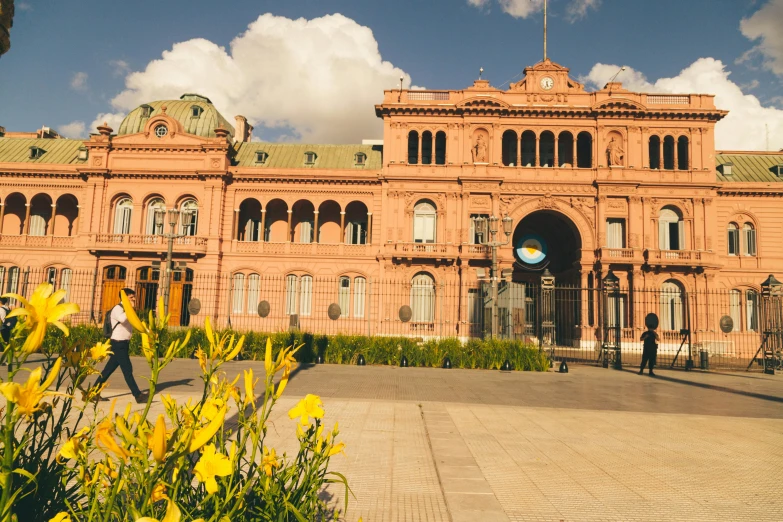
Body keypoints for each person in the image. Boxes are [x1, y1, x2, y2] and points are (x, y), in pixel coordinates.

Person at [93, 289, 149, 403]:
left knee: (108, 370)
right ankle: (137, 395)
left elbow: (134, 322)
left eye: (134, 297)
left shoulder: (127, 309)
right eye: (131, 297)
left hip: (123, 343)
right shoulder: (118, 309)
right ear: (124, 298)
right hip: (118, 343)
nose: (133, 299)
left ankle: (93, 392)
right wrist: (130, 308)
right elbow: (123, 319)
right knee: (127, 369)